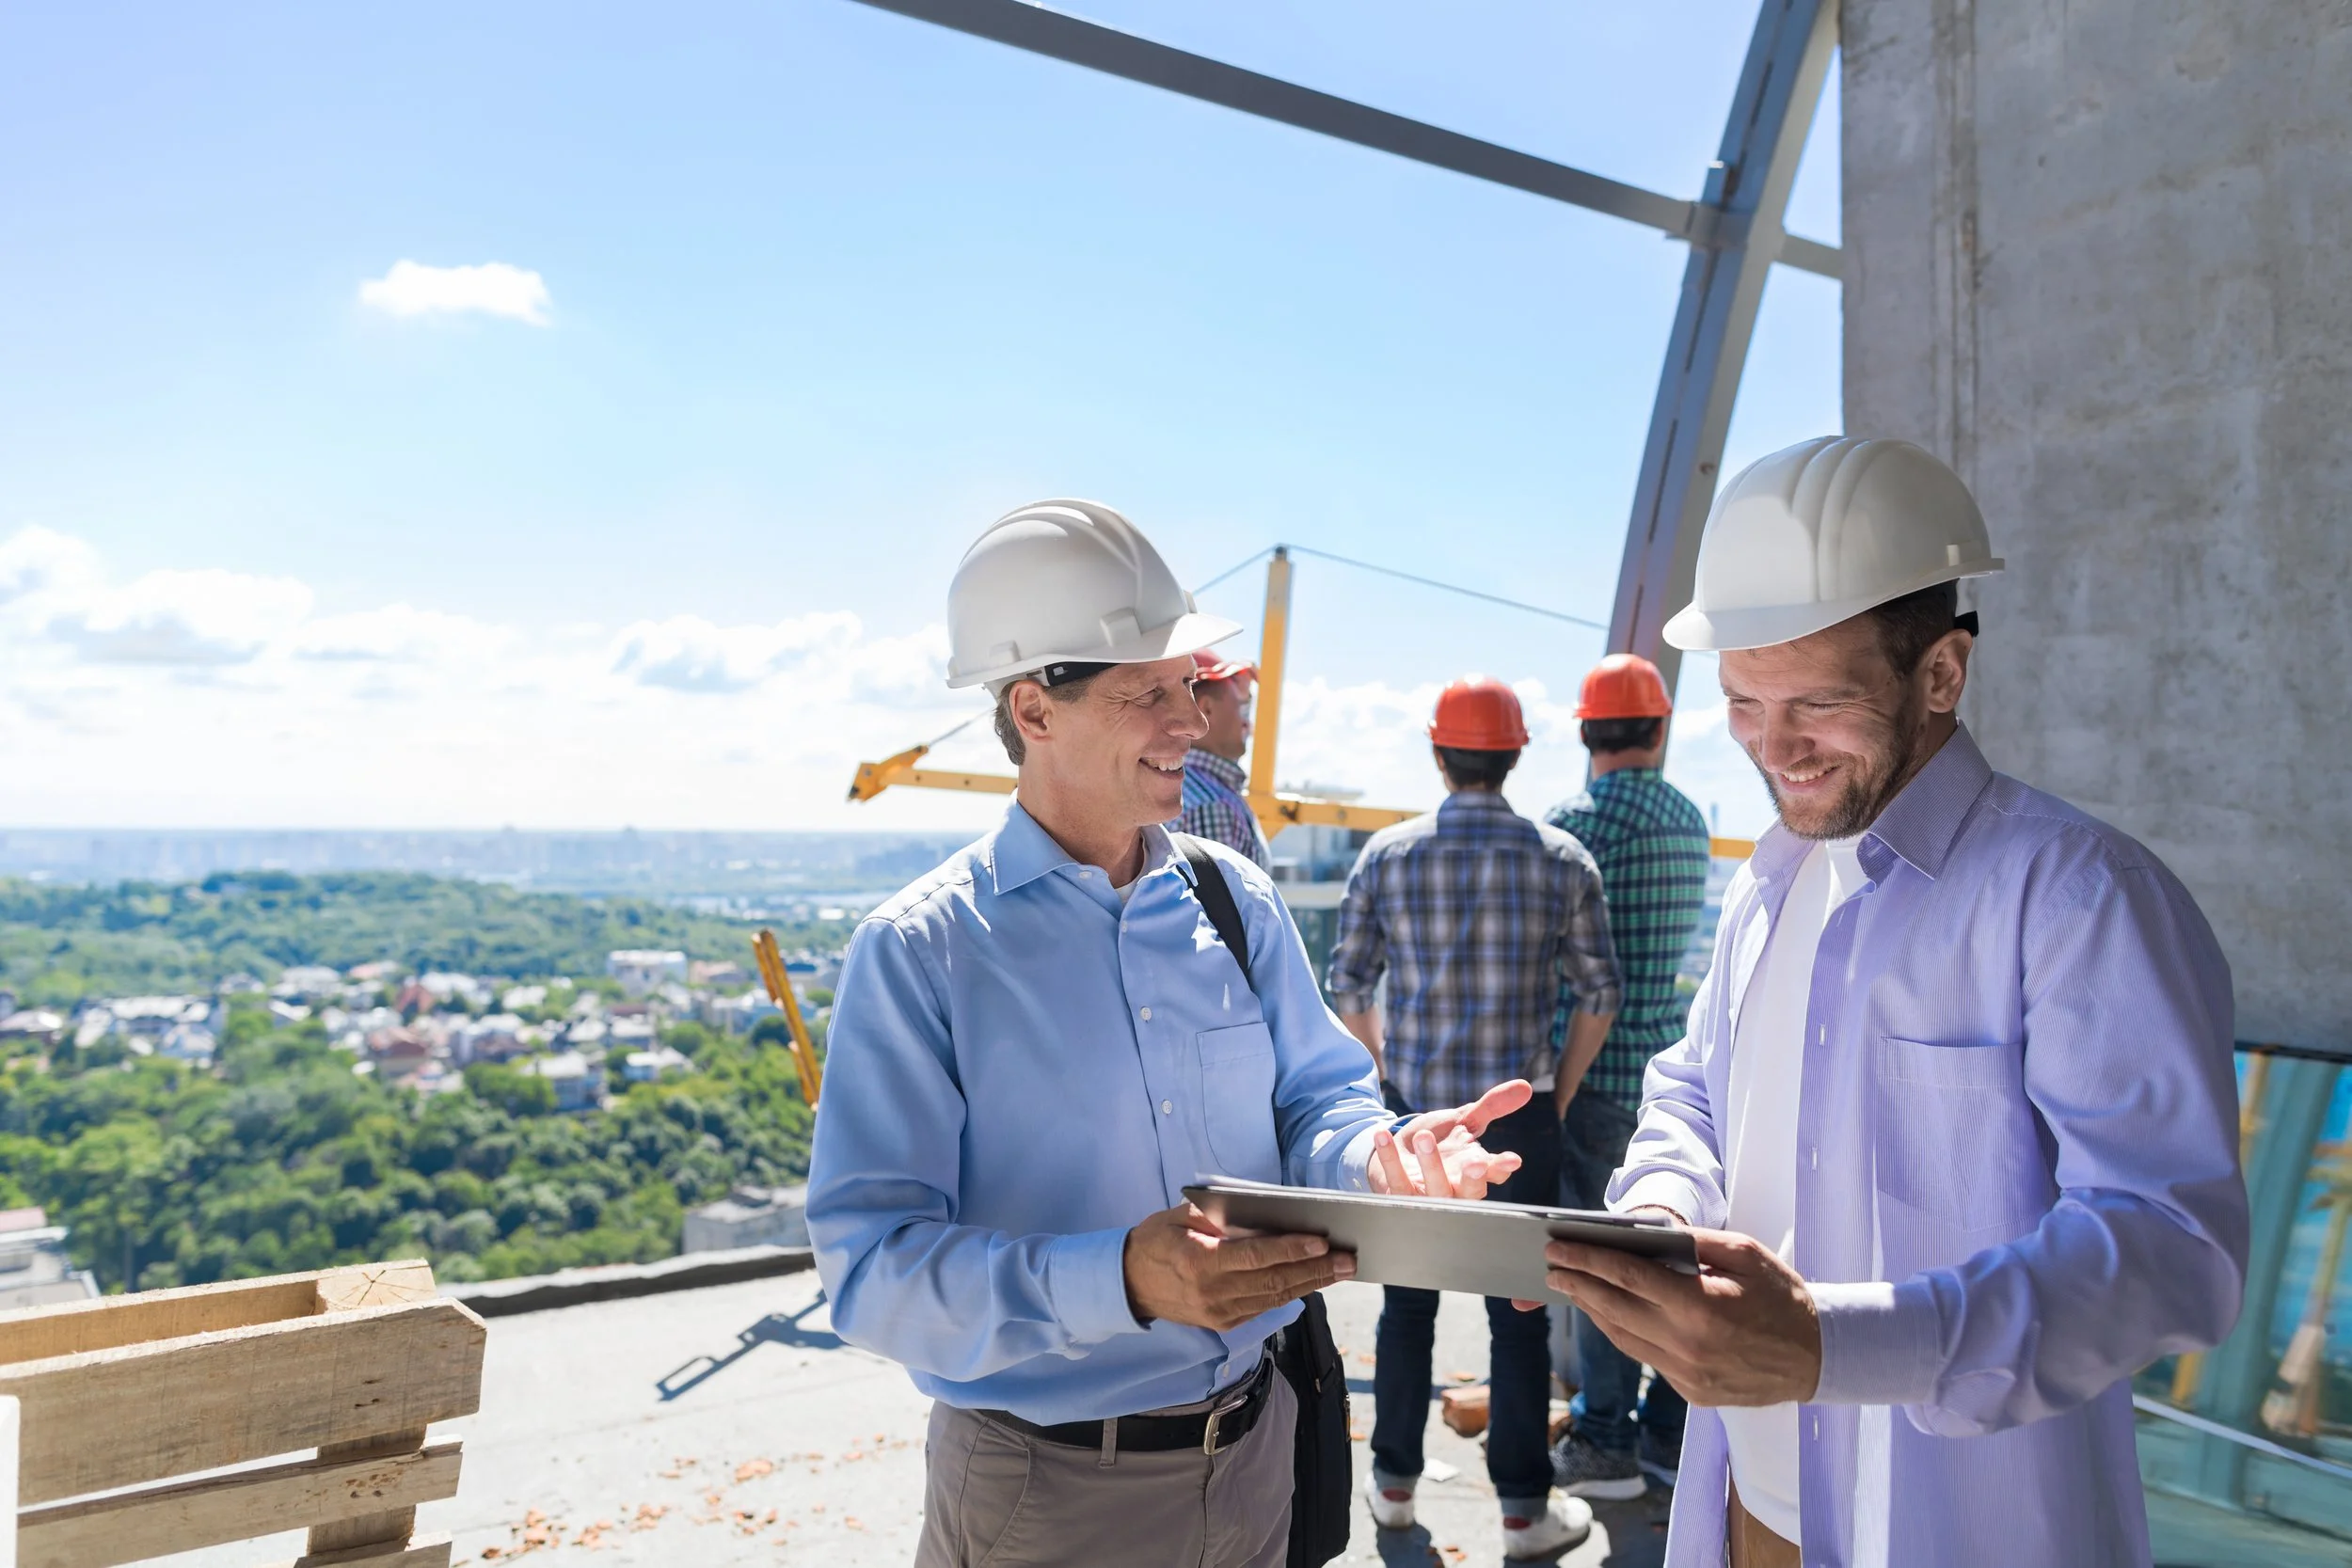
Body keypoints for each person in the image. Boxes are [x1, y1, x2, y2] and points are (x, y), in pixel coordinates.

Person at [1538, 437, 2248, 1568]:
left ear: (1940, 674)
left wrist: (1836, 1345)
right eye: (1741, 702)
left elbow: (2171, 1248)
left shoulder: (2077, 898)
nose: (1774, 747)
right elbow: (1694, 1090)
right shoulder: (1769, 882)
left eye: (1817, 701)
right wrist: (1660, 1214)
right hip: (1740, 1516)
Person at [806, 499, 1534, 1568]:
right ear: (1034, 711)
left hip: (1258, 1451)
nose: (1188, 720)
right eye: (1145, 690)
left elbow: (1313, 1100)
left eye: (1187, 684)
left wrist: (1378, 1153)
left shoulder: (1231, 896)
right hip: (1045, 1493)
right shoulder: (923, 951)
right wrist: (1126, 1279)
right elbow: (870, 1274)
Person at [1328, 675, 1624, 1560]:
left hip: (1417, 1123)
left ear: (1437, 751)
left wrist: (1387, 1079)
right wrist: (1558, 1096)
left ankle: (1390, 1491)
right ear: (1517, 752)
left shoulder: (1386, 855)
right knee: (1521, 1313)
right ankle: (1525, 1513)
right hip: (1522, 1119)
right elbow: (1601, 994)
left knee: (1406, 1307)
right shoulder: (1563, 857)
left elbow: (1347, 984)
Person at [1542, 653, 1710, 1500]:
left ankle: (1604, 1438)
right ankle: (1667, 1434)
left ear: (1585, 729)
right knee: (1666, 1255)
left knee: (1601, 1269)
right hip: (1670, 1070)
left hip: (1589, 1069)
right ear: (1657, 726)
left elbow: (1550, 962)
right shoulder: (1690, 818)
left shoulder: (1574, 820)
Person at [1177, 648, 1273, 868]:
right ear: (1206, 709)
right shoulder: (1211, 807)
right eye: (1241, 707)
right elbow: (1223, 903)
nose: (1247, 724)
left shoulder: (1188, 788)